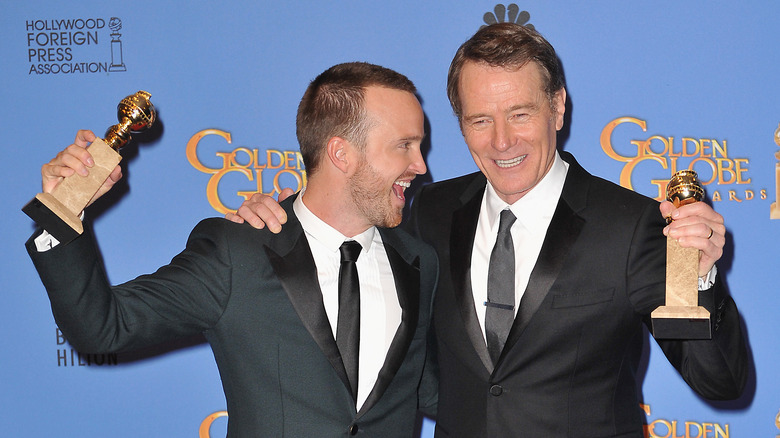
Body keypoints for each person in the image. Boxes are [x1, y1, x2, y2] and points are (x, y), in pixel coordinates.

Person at [229, 24, 748, 437]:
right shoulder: (425, 210)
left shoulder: (633, 225)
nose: (502, 141)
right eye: (480, 120)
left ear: (558, 107)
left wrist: (699, 280)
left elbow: (720, 381)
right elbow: (336, 220)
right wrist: (271, 218)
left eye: (520, 113)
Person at [26, 62, 438, 437]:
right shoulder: (237, 252)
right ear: (341, 153)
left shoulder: (420, 262)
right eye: (403, 145)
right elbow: (102, 326)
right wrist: (62, 208)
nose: (420, 165)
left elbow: (442, 390)